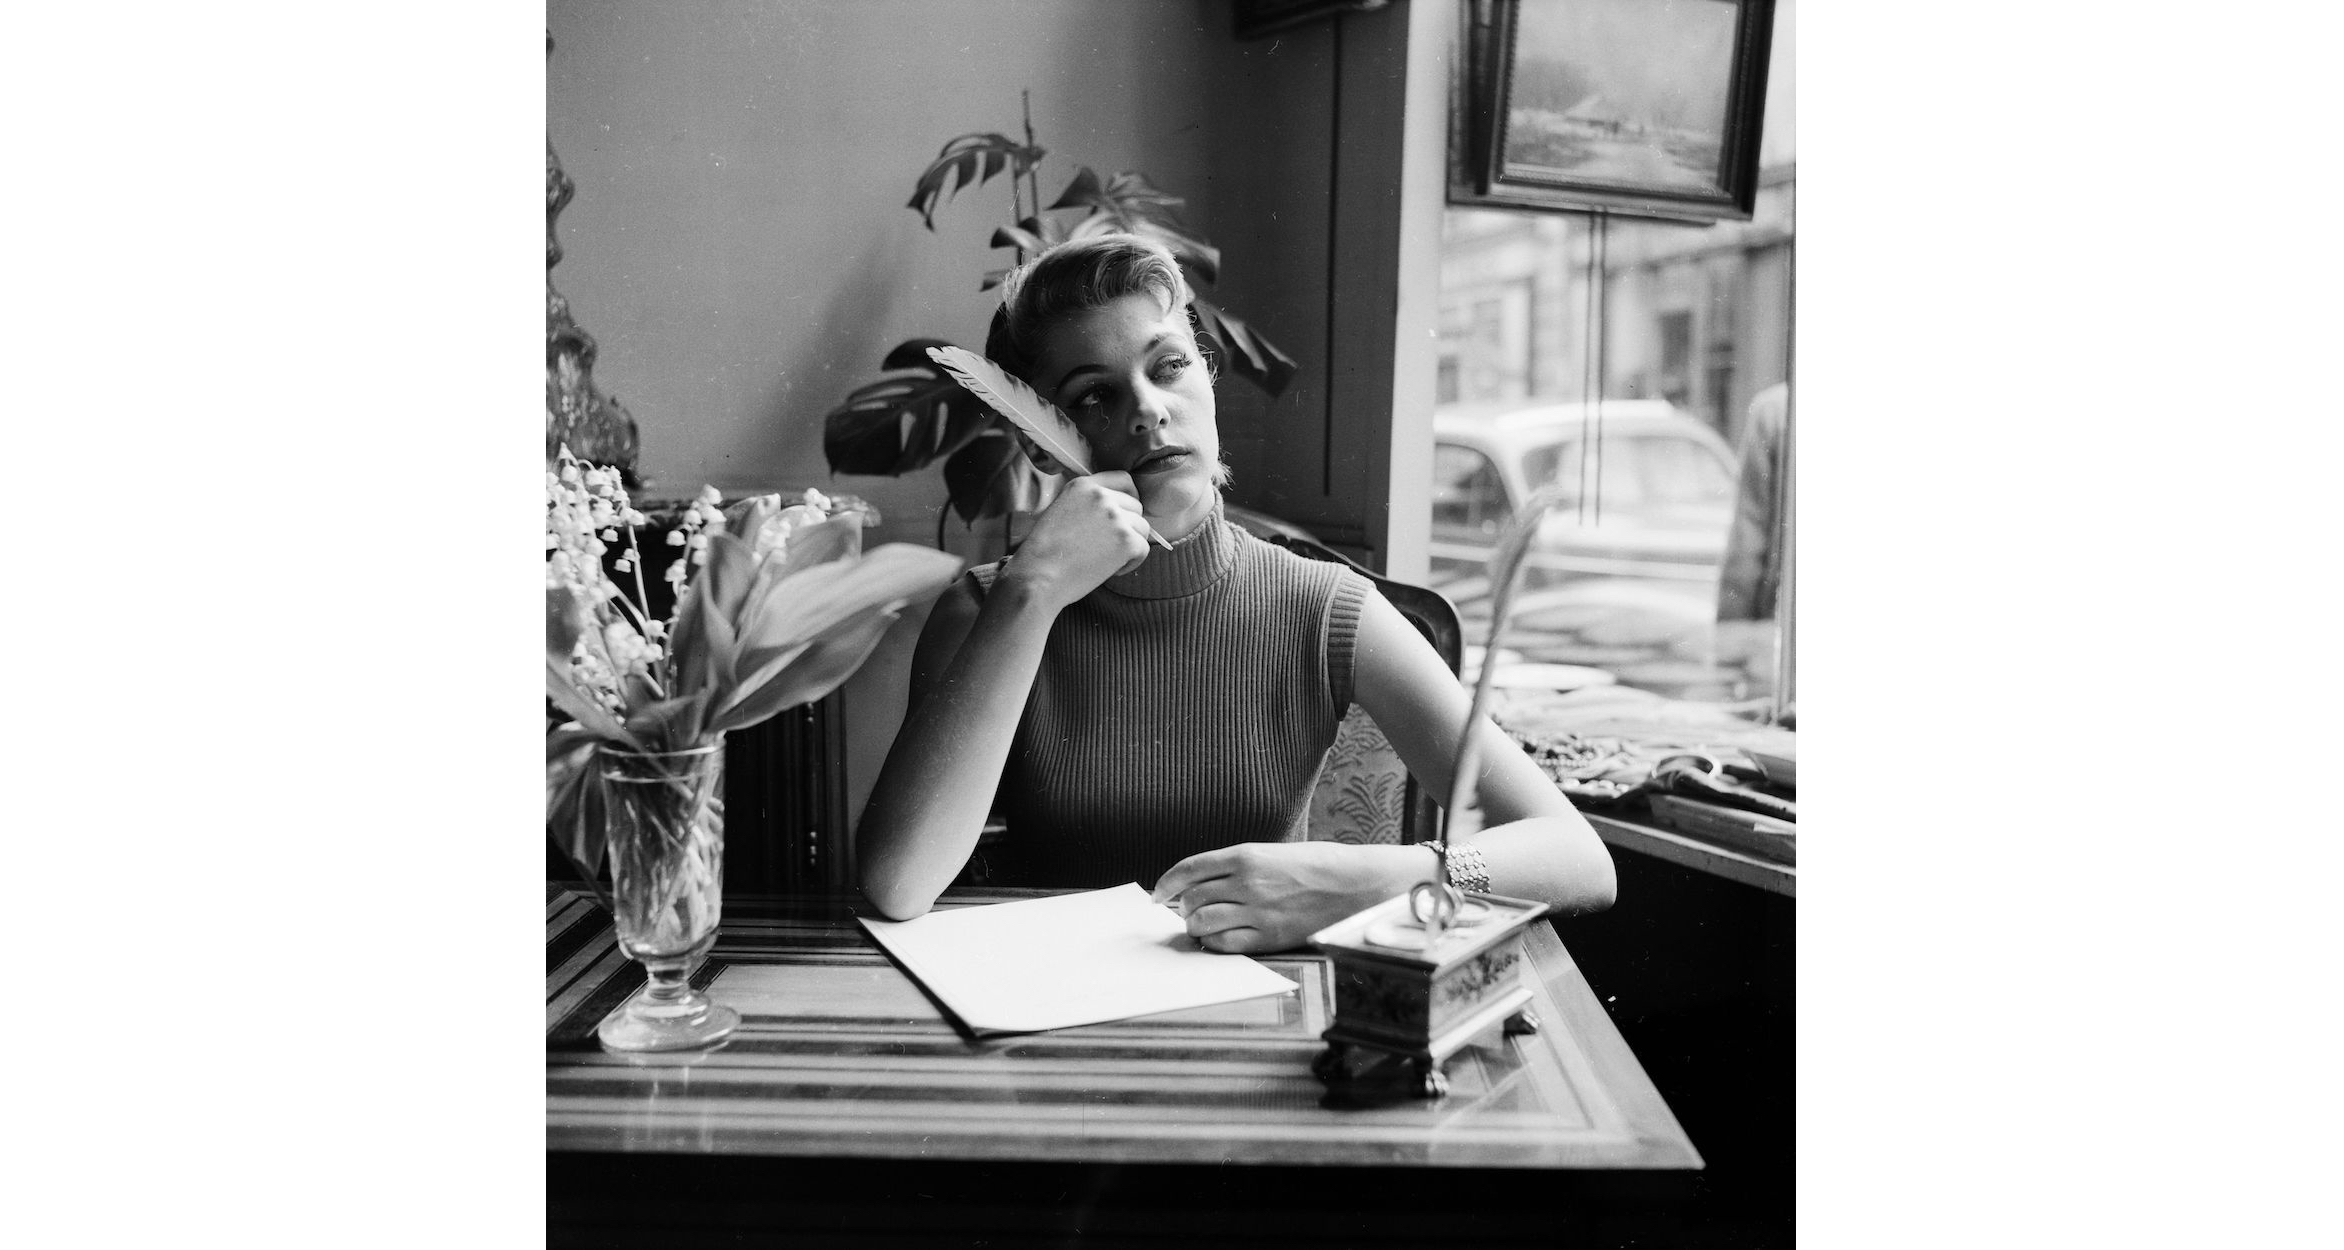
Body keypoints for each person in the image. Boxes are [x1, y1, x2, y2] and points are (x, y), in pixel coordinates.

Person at [857, 234, 1615, 951]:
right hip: (1043, 1019)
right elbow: (898, 883)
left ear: (1205, 376)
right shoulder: (988, 609)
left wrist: (1380, 880)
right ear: (1038, 441)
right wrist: (1033, 591)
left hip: (1273, 1010)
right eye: (1093, 396)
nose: (1148, 408)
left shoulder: (1324, 608)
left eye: (1169, 366)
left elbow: (1577, 857)